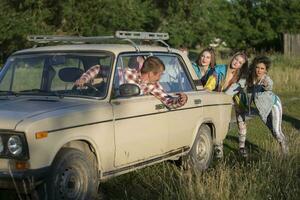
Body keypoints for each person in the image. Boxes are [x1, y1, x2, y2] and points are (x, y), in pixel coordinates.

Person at [75, 56, 188, 109]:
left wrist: (181, 100)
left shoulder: (154, 86)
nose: (161, 77)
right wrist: (84, 79)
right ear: (151, 73)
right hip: (115, 107)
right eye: (160, 74)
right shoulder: (126, 73)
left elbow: (168, 101)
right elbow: (98, 68)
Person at [204, 51, 249, 158]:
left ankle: (242, 147)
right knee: (221, 122)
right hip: (221, 98)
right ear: (232, 58)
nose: (236, 62)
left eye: (240, 62)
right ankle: (218, 147)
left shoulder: (241, 76)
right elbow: (212, 81)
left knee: (241, 121)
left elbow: (236, 90)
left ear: (242, 66)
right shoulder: (219, 69)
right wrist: (207, 90)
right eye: (236, 59)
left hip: (236, 98)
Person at [246, 55, 288, 155]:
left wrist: (266, 85)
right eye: (257, 67)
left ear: (265, 70)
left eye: (262, 68)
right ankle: (283, 146)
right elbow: (249, 95)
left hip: (274, 105)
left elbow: (269, 85)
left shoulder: (265, 79)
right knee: (273, 132)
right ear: (254, 67)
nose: (259, 70)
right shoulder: (251, 80)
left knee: (277, 131)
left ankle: (286, 153)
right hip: (263, 111)